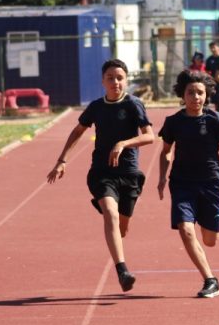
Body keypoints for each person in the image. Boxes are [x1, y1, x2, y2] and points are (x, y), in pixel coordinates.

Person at [46, 58, 155, 292]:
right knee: (110, 214)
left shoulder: (134, 105)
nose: (115, 82)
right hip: (101, 172)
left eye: (119, 78)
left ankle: (118, 249)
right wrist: (62, 160)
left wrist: (123, 144)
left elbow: (149, 136)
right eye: (110, 78)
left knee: (122, 226)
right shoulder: (96, 107)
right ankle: (122, 271)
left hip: (129, 173)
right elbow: (78, 131)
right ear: (103, 81)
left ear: (126, 81)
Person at [156, 69, 219, 298]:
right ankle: (210, 279)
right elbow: (166, 151)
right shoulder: (173, 122)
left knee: (210, 240)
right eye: (191, 92)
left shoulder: (216, 120)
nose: (196, 97)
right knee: (185, 229)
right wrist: (163, 176)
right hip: (182, 182)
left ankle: (208, 225)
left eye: (200, 93)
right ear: (182, 95)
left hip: (211, 182)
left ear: (207, 95)